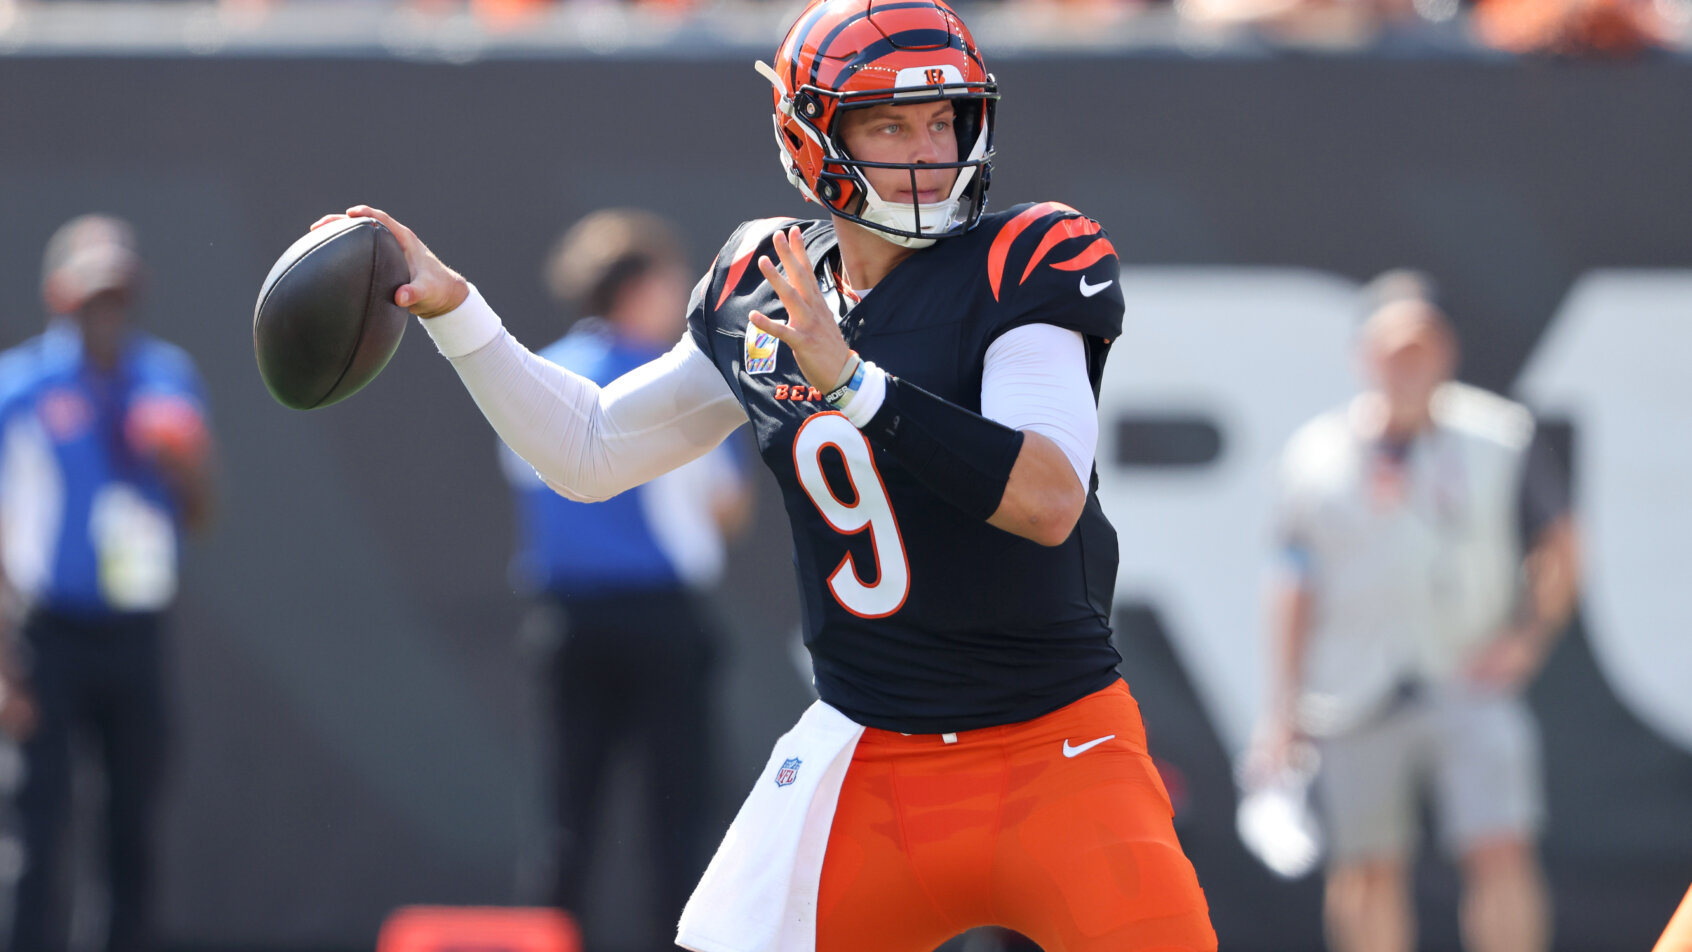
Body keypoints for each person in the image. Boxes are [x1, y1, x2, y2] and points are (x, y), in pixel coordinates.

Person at [315, 0, 1216, 947]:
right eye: (890, 123)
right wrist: (457, 312)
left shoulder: (1024, 257)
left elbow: (1045, 498)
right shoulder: (762, 282)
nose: (931, 150)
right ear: (811, 134)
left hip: (1056, 749)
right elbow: (588, 452)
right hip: (869, 752)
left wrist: (857, 387)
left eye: (946, 118)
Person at [1253, 273, 1579, 952]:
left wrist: (1527, 639)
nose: (1409, 362)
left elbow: (1559, 545)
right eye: (1393, 348)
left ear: (1447, 351)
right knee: (1367, 867)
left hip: (1466, 672)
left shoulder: (1499, 437)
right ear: (1363, 356)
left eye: (1422, 346)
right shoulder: (1315, 456)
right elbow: (1292, 583)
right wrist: (1280, 711)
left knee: (1499, 847)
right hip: (1351, 690)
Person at [505, 208, 749, 944]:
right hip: (659, 626)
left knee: (568, 816)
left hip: (568, 625)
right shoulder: (669, 383)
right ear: (636, 288)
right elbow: (727, 510)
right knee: (677, 815)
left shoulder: (538, 374)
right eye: (671, 281)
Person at [0, 214, 216, 952]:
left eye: (119, 295)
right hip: (47, 633)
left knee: (133, 828)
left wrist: (181, 462)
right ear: (60, 296)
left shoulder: (167, 379)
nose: (107, 310)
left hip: (134, 631)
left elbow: (201, 512)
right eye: (94, 295)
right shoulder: (20, 389)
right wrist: (4, 666)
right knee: (39, 824)